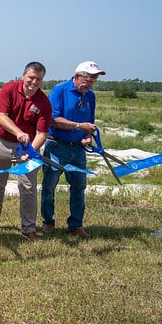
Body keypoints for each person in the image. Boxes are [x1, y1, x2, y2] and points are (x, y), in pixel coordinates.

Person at [0, 62, 51, 241]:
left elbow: (42, 133)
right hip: (1, 142)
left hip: (27, 148)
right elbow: (1, 116)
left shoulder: (43, 102)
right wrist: (18, 132)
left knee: (28, 187)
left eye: (39, 79)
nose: (34, 82)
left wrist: (31, 151)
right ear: (23, 75)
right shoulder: (9, 89)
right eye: (31, 77)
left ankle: (28, 228)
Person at [40, 61, 106, 239]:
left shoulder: (90, 96)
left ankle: (75, 224)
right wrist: (78, 126)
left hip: (78, 150)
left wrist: (87, 136)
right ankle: (48, 222)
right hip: (56, 146)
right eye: (88, 80)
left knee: (79, 187)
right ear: (77, 77)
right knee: (49, 185)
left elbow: (89, 123)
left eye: (93, 81)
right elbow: (52, 119)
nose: (90, 84)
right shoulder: (59, 90)